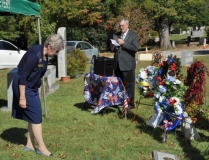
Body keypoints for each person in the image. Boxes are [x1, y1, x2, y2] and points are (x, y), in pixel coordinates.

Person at [12, 34, 64, 157]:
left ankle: (29, 145)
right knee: (36, 117)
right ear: (50, 46)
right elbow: (23, 77)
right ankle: (41, 148)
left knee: (33, 116)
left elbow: (37, 73)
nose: (56, 54)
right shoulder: (34, 55)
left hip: (32, 87)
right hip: (23, 87)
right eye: (57, 51)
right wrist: (22, 97)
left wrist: (38, 90)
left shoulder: (44, 54)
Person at [110, 18, 139, 109]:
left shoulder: (134, 35)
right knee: (118, 85)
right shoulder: (116, 35)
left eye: (122, 26)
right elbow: (112, 49)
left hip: (128, 64)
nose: (121, 27)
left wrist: (124, 43)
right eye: (120, 26)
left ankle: (130, 104)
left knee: (129, 85)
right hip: (117, 64)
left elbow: (135, 48)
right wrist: (113, 46)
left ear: (127, 25)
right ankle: (118, 101)